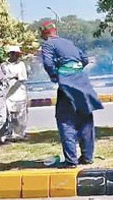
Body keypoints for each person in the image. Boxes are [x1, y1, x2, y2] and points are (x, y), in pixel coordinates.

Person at [39, 20, 104, 168]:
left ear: (45, 32)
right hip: (83, 84)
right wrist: (75, 71)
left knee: (65, 121)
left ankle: (71, 160)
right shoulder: (68, 42)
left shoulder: (48, 44)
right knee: (85, 120)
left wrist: (56, 76)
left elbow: (48, 64)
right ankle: (87, 157)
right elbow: (85, 60)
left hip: (67, 86)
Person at [1, 45, 29, 141]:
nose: (15, 56)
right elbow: (3, 78)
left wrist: (14, 78)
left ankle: (20, 134)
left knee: (21, 114)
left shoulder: (21, 64)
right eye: (13, 54)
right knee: (10, 114)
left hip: (19, 92)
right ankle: (11, 133)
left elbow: (22, 78)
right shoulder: (4, 65)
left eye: (17, 54)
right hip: (8, 93)